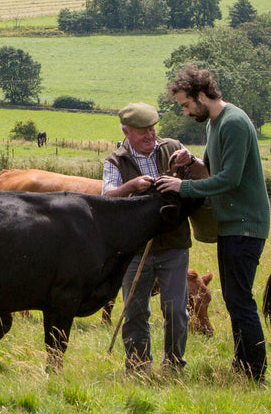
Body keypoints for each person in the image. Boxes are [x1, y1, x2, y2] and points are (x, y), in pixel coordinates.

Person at [153, 65, 270, 382]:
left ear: (201, 94)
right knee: (235, 299)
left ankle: (254, 371)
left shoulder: (232, 123)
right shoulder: (215, 124)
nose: (187, 112)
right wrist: (191, 162)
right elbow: (212, 172)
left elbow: (229, 180)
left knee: (240, 300)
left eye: (186, 105)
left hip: (245, 224)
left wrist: (183, 187)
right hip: (231, 225)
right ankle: (242, 364)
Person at [102, 102, 203, 374]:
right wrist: (131, 187)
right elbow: (106, 197)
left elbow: (205, 177)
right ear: (126, 131)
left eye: (152, 129)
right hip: (134, 249)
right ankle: (137, 366)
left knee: (176, 310)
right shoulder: (116, 160)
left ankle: (173, 365)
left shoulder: (173, 147)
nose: (150, 136)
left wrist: (191, 162)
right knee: (135, 310)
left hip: (174, 244)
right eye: (141, 131)